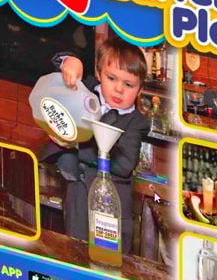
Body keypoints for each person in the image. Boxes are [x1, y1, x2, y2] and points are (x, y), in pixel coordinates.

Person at [41, 37, 150, 255]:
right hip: (77, 196)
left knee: (108, 260)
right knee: (74, 252)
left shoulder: (136, 122)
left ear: (139, 90)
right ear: (99, 74)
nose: (119, 89)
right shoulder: (86, 90)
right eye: (111, 78)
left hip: (112, 208)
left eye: (128, 85)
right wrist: (70, 61)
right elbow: (58, 71)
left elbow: (124, 164)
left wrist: (76, 143)